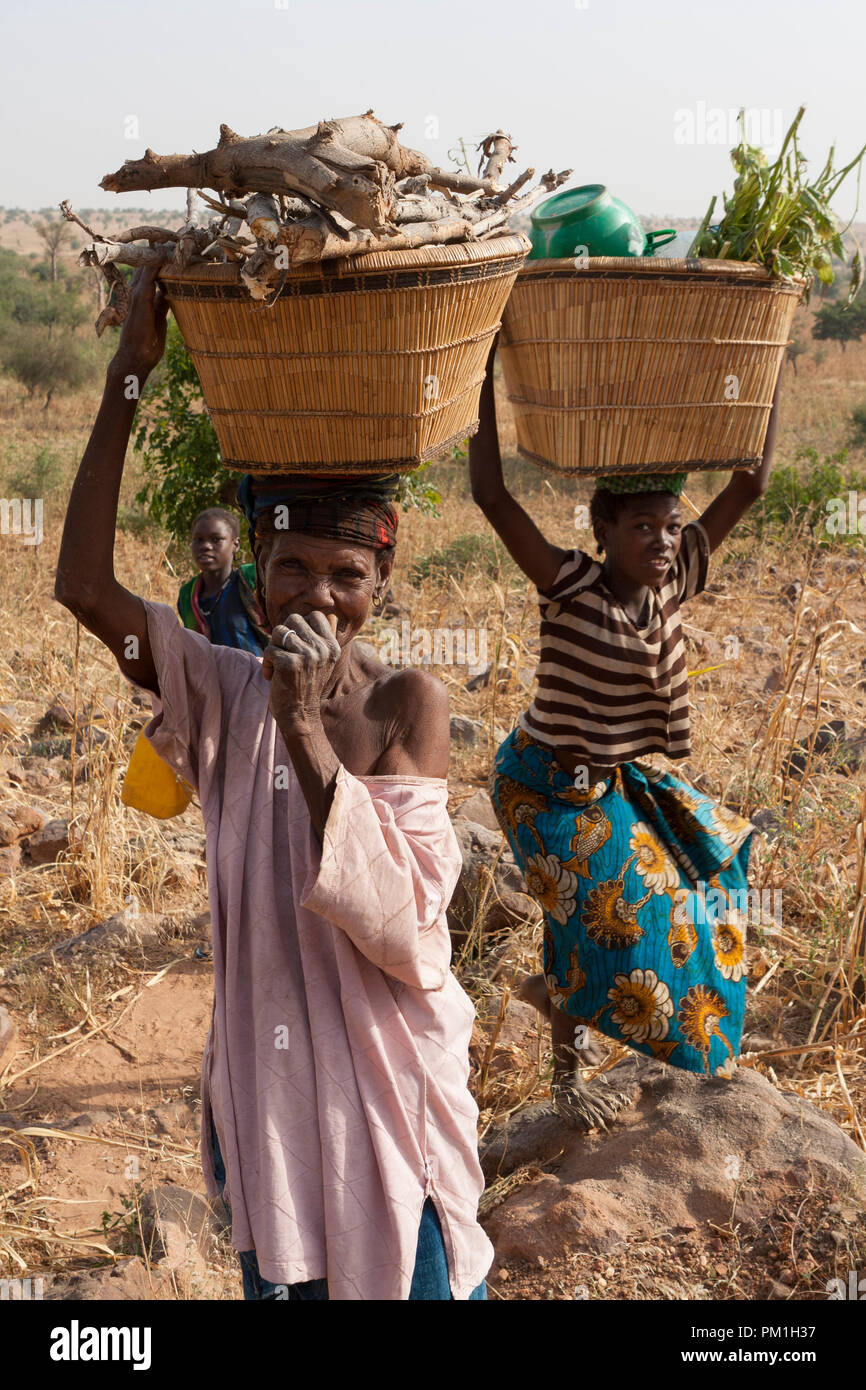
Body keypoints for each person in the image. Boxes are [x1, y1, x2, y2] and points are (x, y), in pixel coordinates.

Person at [54, 266, 492, 1301]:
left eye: (348, 576)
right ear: (253, 571)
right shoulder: (222, 688)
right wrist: (130, 372)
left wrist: (303, 725)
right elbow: (80, 585)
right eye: (292, 567)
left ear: (380, 586)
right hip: (270, 1093)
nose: (319, 596)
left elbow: (395, 920)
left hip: (388, 1103)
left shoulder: (405, 706)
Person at [470, 342, 783, 1130]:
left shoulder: (674, 584)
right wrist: (477, 369)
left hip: (605, 787)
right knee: (597, 913)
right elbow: (492, 495)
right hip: (538, 789)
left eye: (672, 527)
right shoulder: (569, 586)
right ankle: (568, 1079)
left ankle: (566, 1015)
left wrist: (772, 360)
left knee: (702, 884)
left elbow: (751, 483)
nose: (663, 541)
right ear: (602, 528)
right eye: (643, 526)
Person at [177, 508, 269, 654]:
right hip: (209, 676)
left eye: (216, 539)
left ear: (236, 545)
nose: (205, 546)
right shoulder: (188, 595)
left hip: (259, 674)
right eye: (198, 539)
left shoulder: (253, 581)